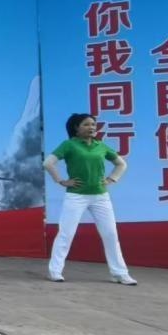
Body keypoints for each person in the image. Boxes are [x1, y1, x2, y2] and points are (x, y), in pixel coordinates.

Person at [44, 113, 134, 284]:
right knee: (66, 233)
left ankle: (119, 273)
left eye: (93, 124)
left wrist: (111, 179)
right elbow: (48, 163)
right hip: (76, 196)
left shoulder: (101, 146)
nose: (91, 127)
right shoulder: (69, 145)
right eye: (86, 124)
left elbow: (121, 164)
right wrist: (61, 181)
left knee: (110, 234)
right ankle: (54, 271)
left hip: (101, 196)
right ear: (76, 128)